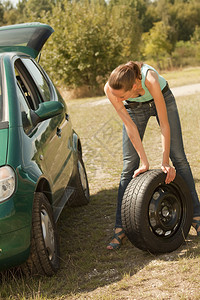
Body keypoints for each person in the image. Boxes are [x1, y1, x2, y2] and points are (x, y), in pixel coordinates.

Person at [104, 61, 200, 250]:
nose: (117, 98)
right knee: (129, 165)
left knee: (178, 158)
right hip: (135, 106)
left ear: (133, 86)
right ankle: (121, 227)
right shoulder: (111, 89)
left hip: (162, 98)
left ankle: (196, 216)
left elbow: (164, 124)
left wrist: (164, 161)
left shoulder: (151, 80)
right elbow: (130, 127)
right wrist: (144, 161)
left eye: (120, 96)